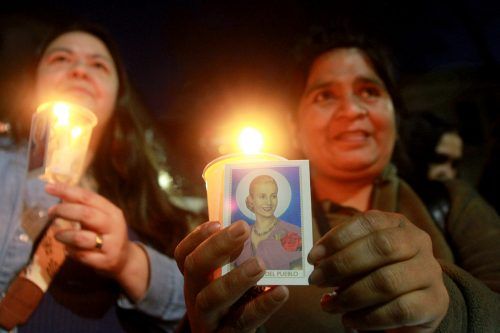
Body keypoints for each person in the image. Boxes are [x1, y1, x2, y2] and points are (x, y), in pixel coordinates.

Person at [174, 25, 500, 332]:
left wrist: (450, 308)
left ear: (393, 114)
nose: (351, 109)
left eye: (369, 91)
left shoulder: (451, 202)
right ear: (294, 126)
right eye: (325, 96)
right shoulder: (232, 227)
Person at [0, 18, 188, 332]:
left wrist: (128, 261)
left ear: (117, 96)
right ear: (34, 82)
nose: (79, 70)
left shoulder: (145, 198)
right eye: (61, 58)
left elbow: (194, 307)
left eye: (98, 65)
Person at [398, 111, 464, 228]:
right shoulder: (397, 199)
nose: (448, 173)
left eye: (454, 164)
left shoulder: (457, 200)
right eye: (439, 159)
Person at [234, 174, 302, 270]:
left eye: (273, 196)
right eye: (262, 196)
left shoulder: (295, 233)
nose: (269, 202)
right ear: (251, 200)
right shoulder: (241, 236)